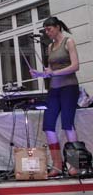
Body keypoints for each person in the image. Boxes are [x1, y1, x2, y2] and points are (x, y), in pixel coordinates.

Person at [30, 16, 80, 177]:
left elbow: (75, 66)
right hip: (54, 89)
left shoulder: (68, 42)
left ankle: (74, 164)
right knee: (48, 126)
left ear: (58, 27)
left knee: (67, 124)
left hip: (69, 88)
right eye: (45, 30)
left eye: (49, 29)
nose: (47, 32)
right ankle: (57, 165)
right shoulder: (50, 47)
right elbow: (50, 71)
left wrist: (54, 72)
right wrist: (41, 74)